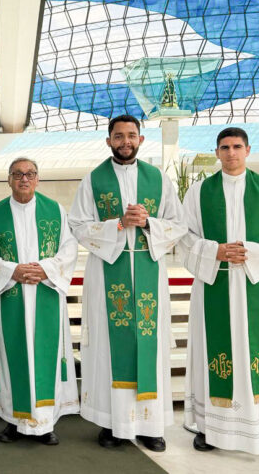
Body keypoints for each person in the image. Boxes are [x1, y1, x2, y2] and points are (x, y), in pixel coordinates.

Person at [68, 115, 186, 452]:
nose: (125, 142)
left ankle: (151, 425)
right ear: (108, 141)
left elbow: (179, 224)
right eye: (118, 136)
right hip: (109, 270)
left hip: (148, 267)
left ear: (141, 139)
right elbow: (78, 226)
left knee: (149, 346)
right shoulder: (93, 180)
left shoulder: (158, 179)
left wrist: (148, 223)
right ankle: (112, 423)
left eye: (131, 135)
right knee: (109, 347)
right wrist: (118, 224)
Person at [181, 127, 259, 456]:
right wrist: (215, 251)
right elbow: (184, 236)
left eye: (237, 146)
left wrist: (252, 252)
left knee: (258, 354)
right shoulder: (199, 192)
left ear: (248, 150)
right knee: (212, 353)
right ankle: (208, 428)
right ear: (217, 152)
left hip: (254, 283)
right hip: (214, 283)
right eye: (225, 147)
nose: (231, 152)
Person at [0, 157, 80, 445]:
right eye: (18, 174)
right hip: (12, 292)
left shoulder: (55, 210)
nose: (24, 179)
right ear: (9, 179)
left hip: (45, 291)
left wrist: (46, 269)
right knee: (12, 357)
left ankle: (46, 423)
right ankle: (14, 420)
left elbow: (69, 247)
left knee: (46, 358)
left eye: (30, 174)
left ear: (37, 179)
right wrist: (12, 270)